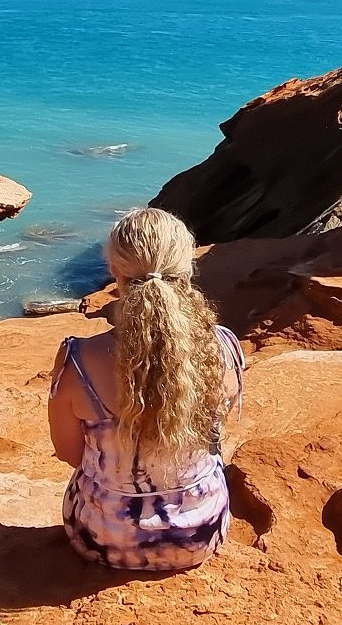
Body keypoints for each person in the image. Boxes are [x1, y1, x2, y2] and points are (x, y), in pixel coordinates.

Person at [47, 208, 244, 570]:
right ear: (186, 269)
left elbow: (69, 453)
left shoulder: (79, 360)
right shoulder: (225, 348)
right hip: (202, 532)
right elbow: (217, 435)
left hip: (105, 538)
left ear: (114, 272)